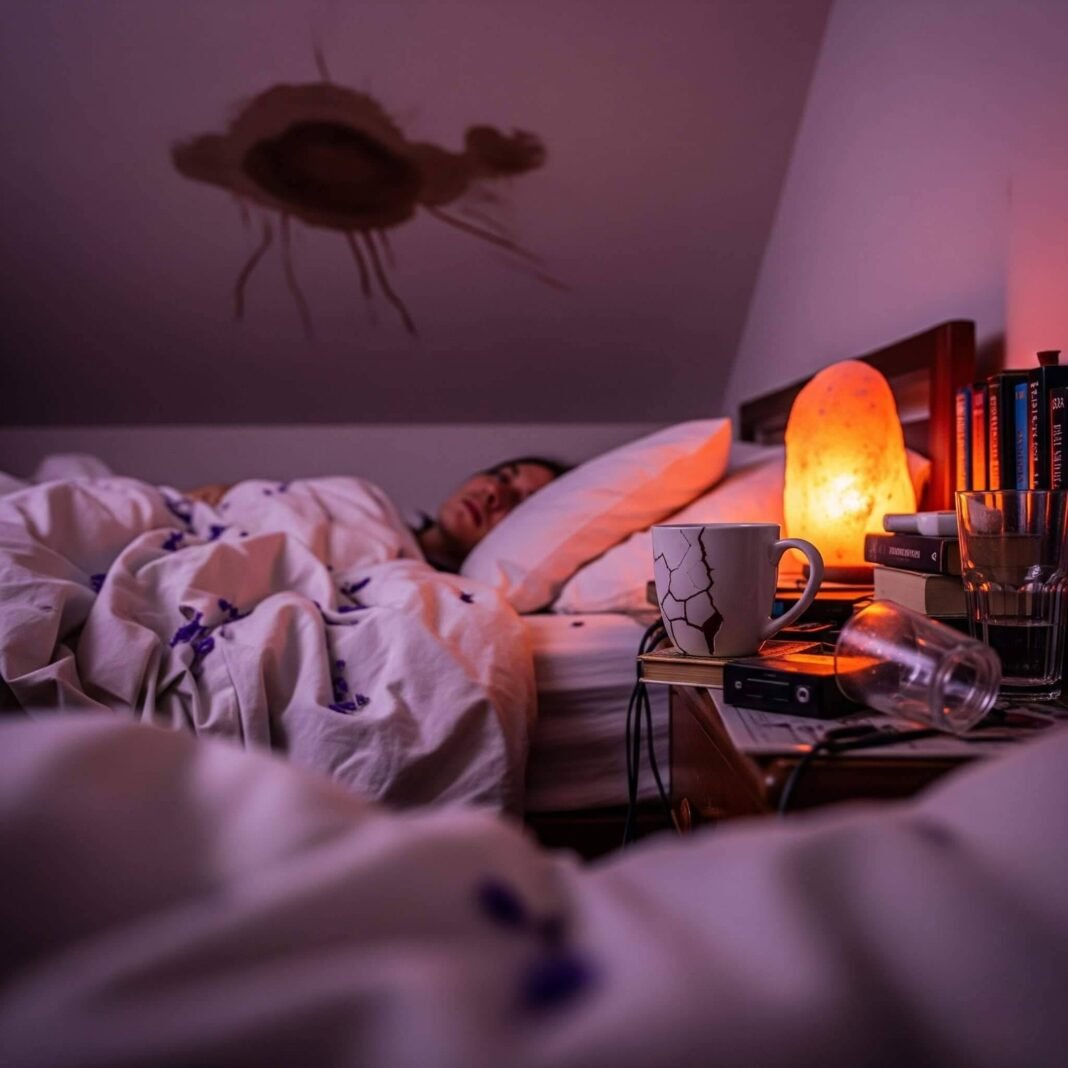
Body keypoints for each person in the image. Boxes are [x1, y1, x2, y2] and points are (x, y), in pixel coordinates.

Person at [187, 455, 567, 571]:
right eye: (502, 475)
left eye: (519, 501)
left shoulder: (430, 590)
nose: (493, 493)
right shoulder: (367, 505)